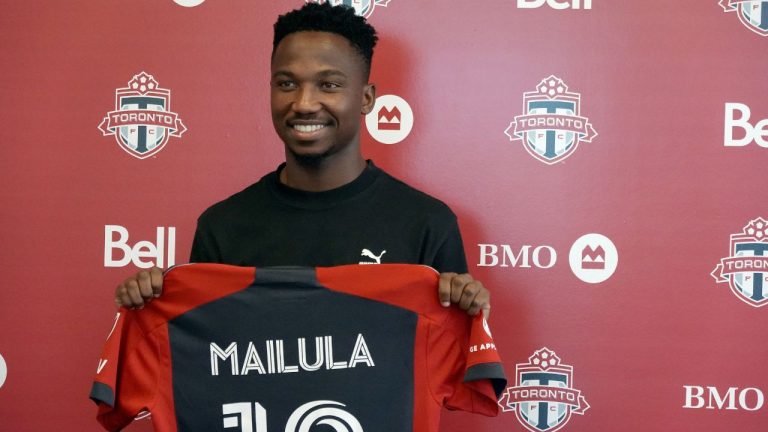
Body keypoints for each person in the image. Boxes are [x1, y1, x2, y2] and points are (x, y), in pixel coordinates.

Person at [114, 2, 490, 317]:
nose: (304, 103)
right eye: (287, 83)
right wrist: (154, 305)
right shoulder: (223, 226)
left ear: (366, 98)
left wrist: (467, 310)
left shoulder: (426, 223)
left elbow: (450, 366)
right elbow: (203, 360)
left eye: (329, 84)